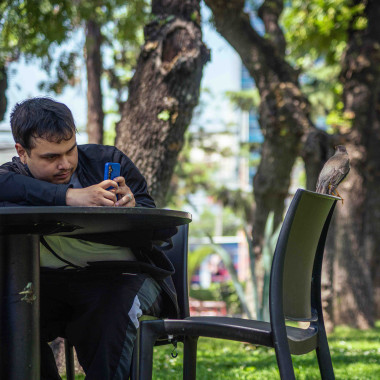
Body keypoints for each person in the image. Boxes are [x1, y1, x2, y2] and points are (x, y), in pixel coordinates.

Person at [0, 97, 179, 380]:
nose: (65, 164)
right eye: (50, 157)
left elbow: (163, 231)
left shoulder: (109, 160)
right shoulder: (11, 179)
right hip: (45, 285)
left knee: (113, 309)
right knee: (7, 312)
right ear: (22, 152)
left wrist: (132, 211)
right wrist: (69, 197)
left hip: (120, 278)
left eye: (70, 150)